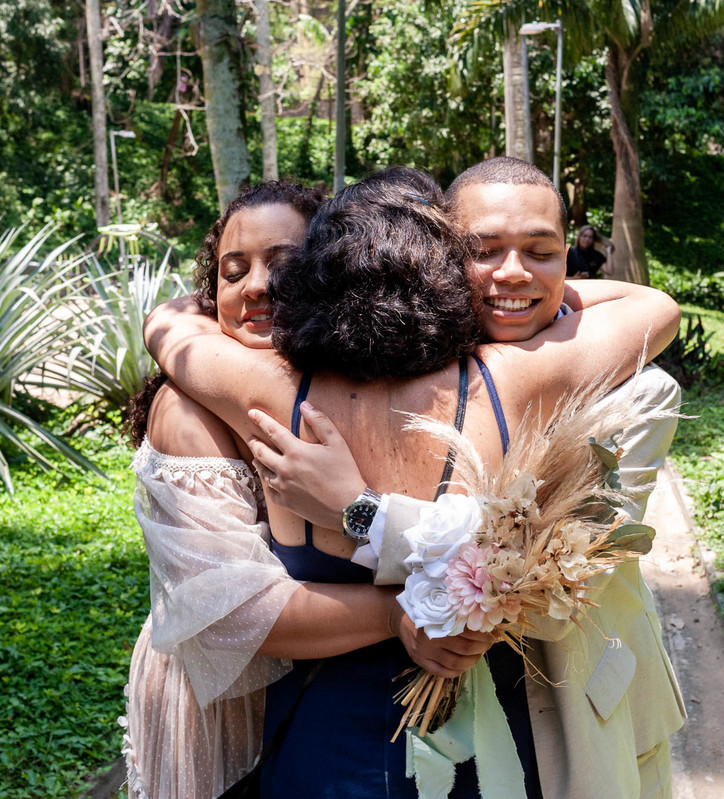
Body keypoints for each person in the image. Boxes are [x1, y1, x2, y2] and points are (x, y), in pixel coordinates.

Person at [144, 166, 681, 797]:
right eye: (480, 256)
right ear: (449, 274)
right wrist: (540, 277)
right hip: (485, 745)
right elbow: (654, 308)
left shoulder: (265, 391)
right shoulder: (513, 382)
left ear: (318, 275)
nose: (505, 273)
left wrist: (199, 303)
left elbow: (167, 330)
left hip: (324, 749)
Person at [120, 180, 495, 799]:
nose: (257, 286)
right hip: (225, 702)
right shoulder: (190, 409)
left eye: (284, 263)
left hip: (319, 699)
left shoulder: (354, 380)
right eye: (232, 272)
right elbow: (236, 613)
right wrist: (413, 612)